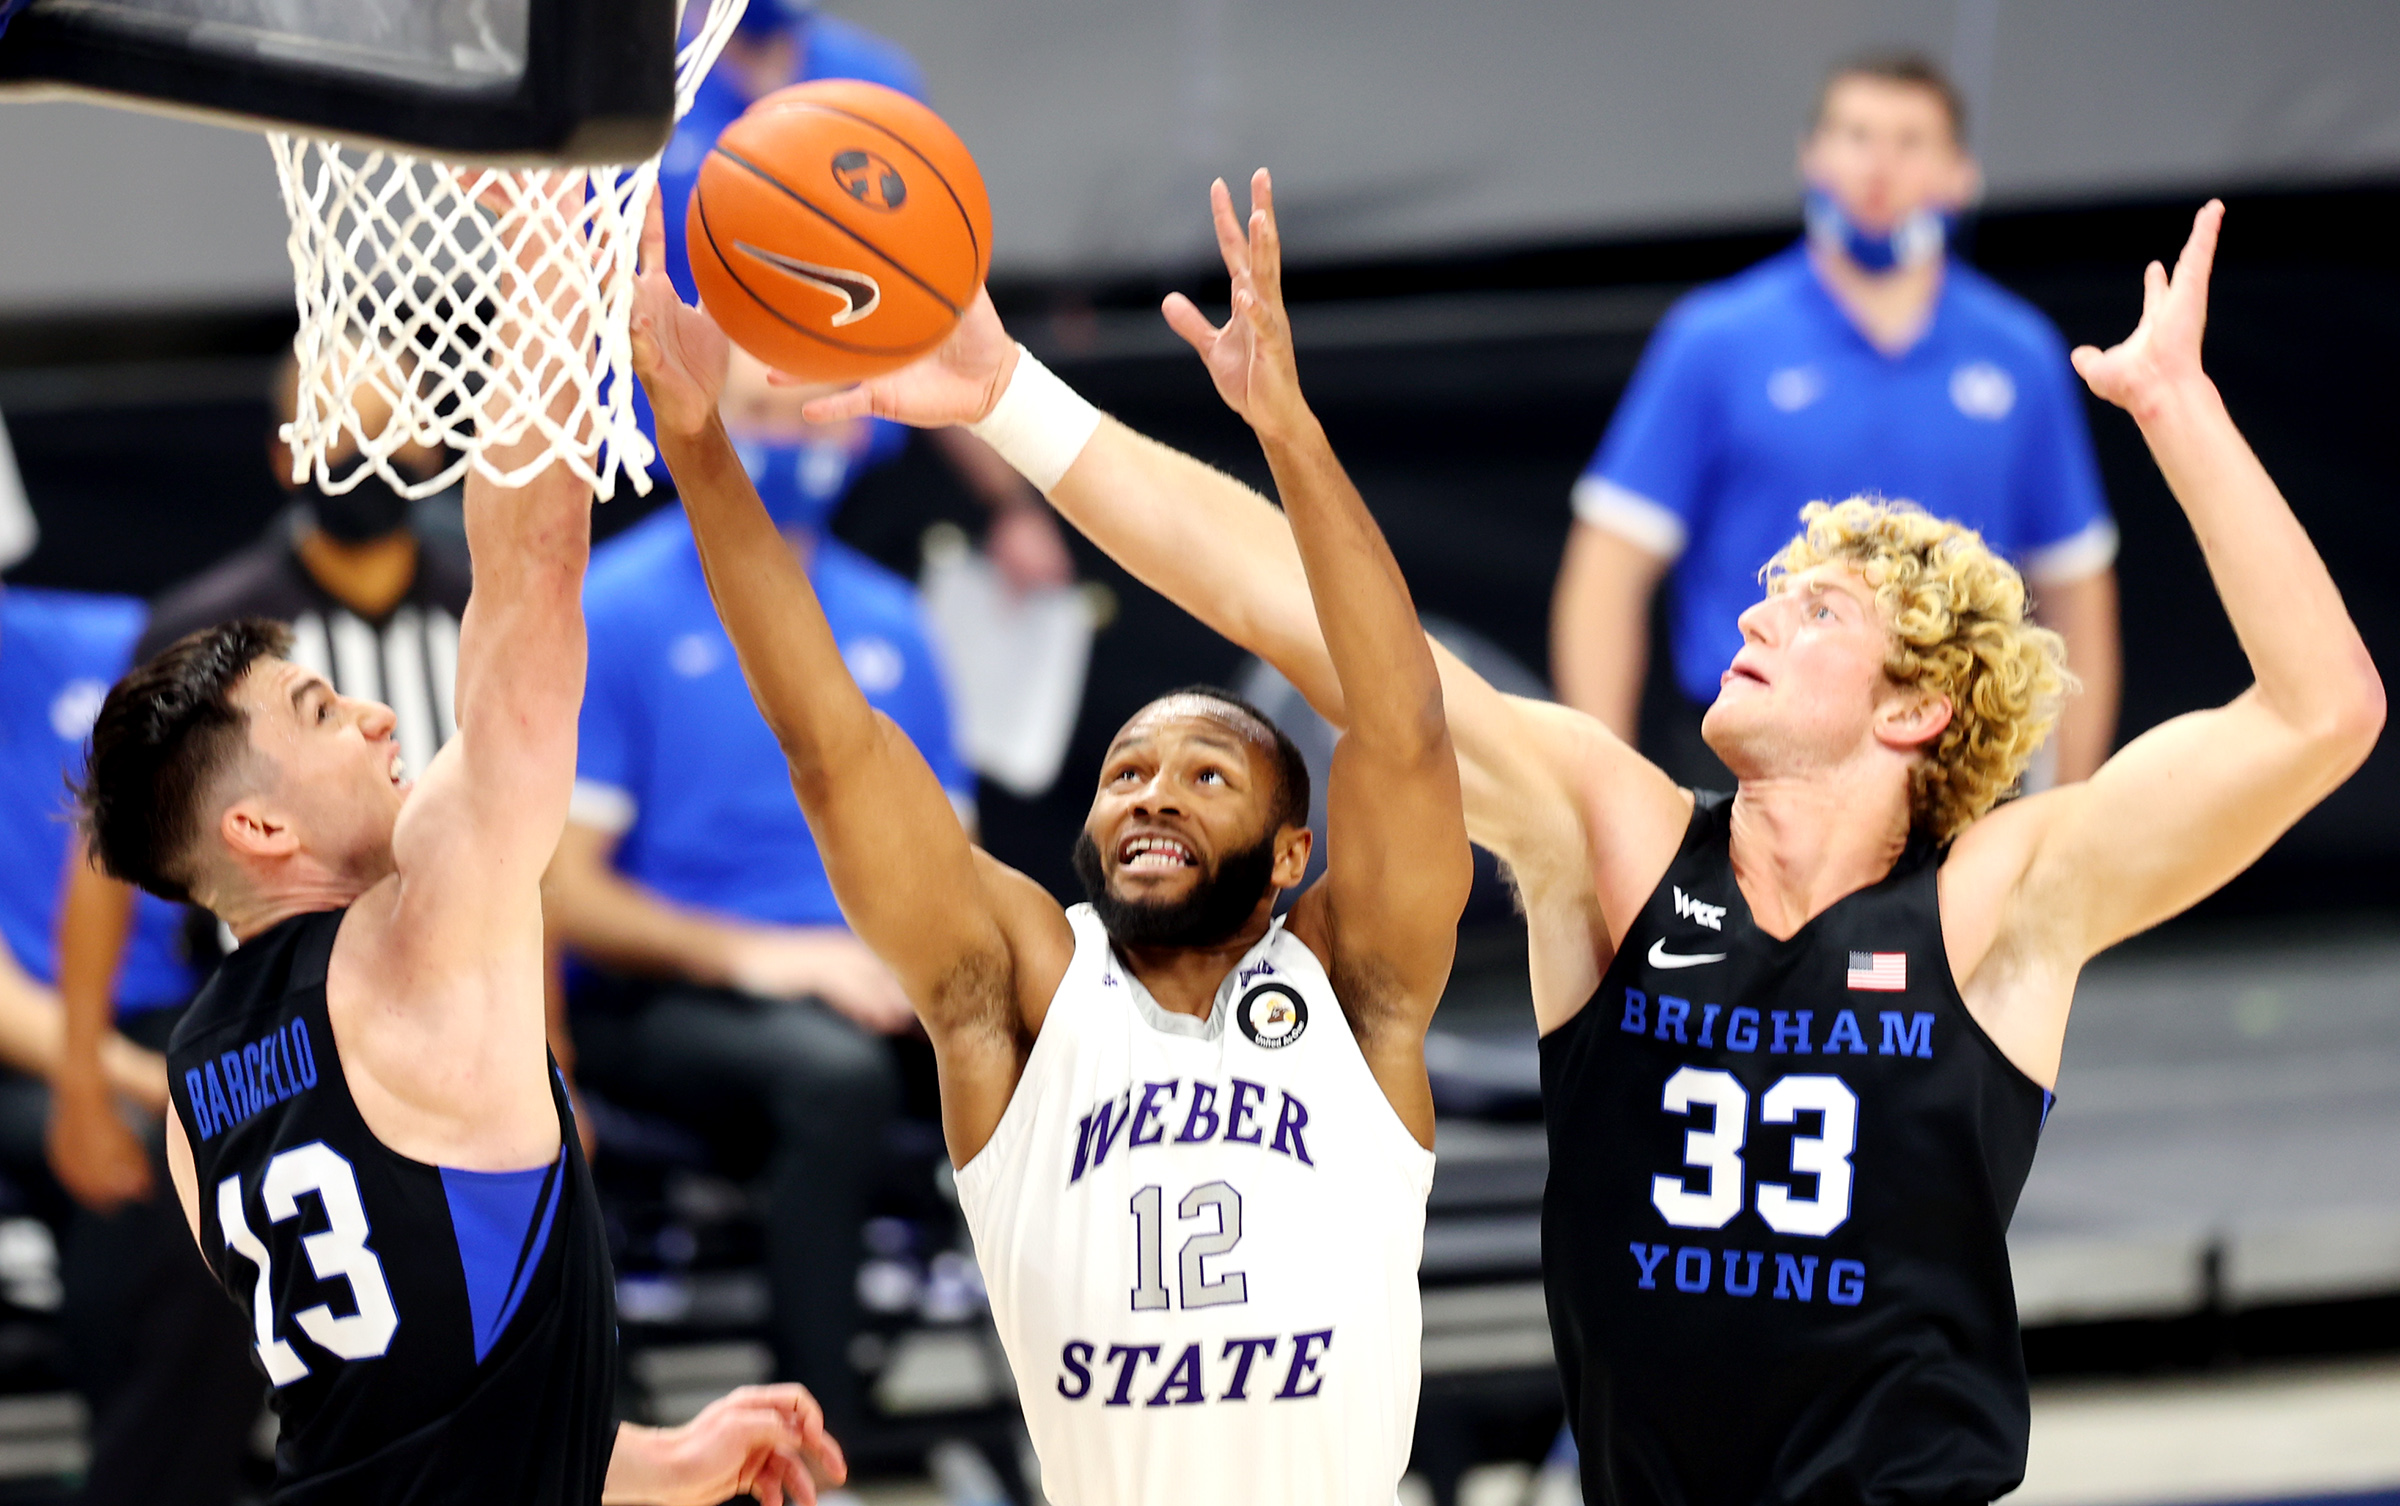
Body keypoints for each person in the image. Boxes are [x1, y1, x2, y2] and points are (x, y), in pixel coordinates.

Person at [806, 197, 2382, 1504]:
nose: (1755, 608)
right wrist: (1013, 394)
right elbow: (1304, 620)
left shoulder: (1998, 903)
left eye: (1815, 608)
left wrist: (2179, 410)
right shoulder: (1617, 840)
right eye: (1765, 583)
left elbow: (2322, 713)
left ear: (1919, 708)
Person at [627, 174, 1471, 1503]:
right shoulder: (1016, 995)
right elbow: (836, 751)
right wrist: (701, 447)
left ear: (1293, 852)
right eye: (1127, 769)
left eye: (1208, 771)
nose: (1152, 792)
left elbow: (1405, 724)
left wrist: (1286, 430)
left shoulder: (1358, 995)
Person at [72, 190, 845, 1506]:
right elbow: (531, 575)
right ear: (260, 826)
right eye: (321, 711)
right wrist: (555, 241)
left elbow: (413, 1410)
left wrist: (655, 1460)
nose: (375, 711)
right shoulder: (417, 927)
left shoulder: (200, 1084)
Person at [544, 340, 974, 1443]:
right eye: (767, 415)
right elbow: (564, 895)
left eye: (821, 415)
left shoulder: (891, 620)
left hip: (872, 984)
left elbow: (953, 869)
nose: (805, 441)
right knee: (825, 1076)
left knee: (1065, 1038)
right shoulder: (622, 609)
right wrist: (765, 959)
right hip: (666, 999)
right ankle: (809, 1442)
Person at [1551, 51, 2121, 789]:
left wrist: (2068, 810)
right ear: (1811, 156)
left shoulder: (2022, 356)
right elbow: (1606, 572)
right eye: (1855, 136)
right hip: (1752, 761)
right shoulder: (1716, 339)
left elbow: (2077, 591)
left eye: (1911, 141)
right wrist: (1602, 798)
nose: (1878, 165)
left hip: (1959, 765)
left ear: (1960, 173)